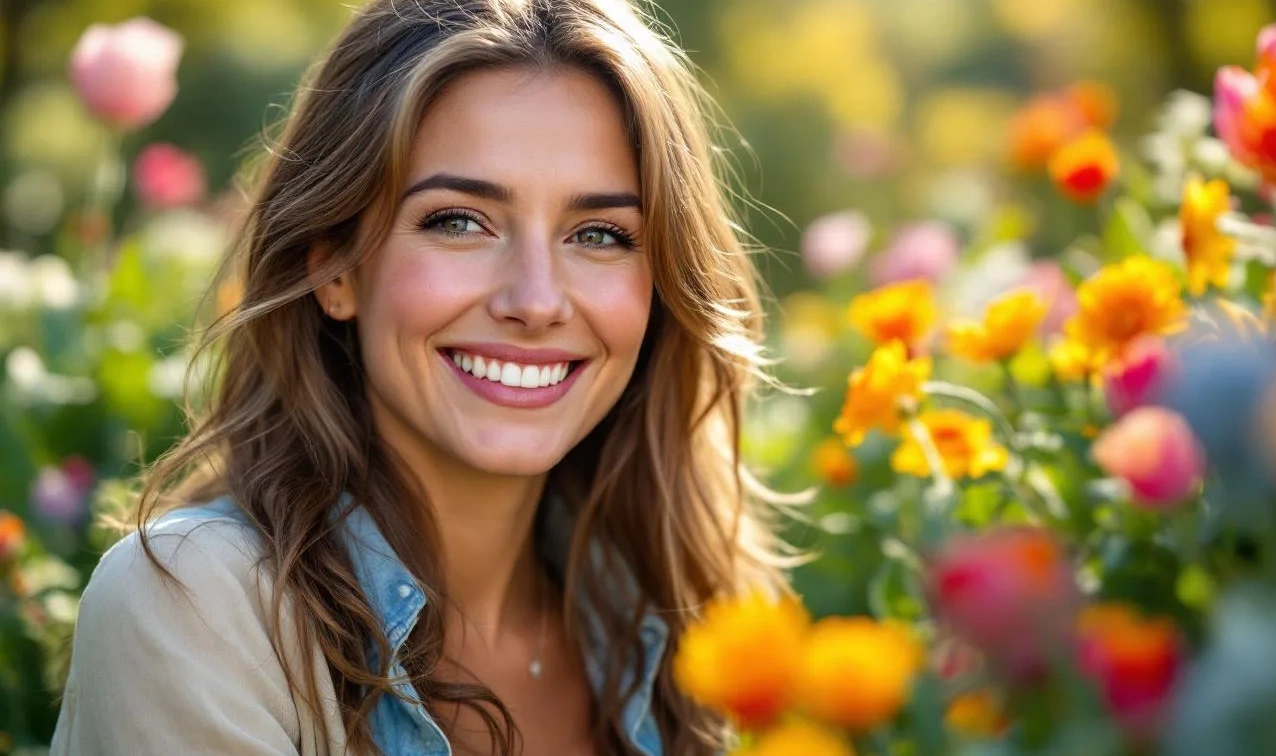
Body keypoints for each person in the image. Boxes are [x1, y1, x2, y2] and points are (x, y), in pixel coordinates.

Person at [49, 0, 792, 754]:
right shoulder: (195, 604)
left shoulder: (685, 626)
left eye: (599, 234)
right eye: (459, 221)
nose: (534, 301)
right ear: (335, 268)